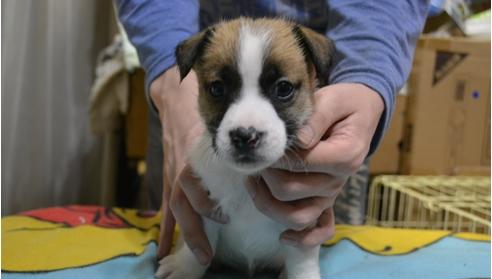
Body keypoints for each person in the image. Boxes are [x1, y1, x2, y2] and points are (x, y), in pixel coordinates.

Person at [116, 0, 428, 264]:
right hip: (189, 50)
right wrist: (166, 73)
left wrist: (368, 74)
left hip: (340, 57)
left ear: (314, 77)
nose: (246, 126)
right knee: (190, 209)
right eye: (218, 88)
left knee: (311, 218)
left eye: (282, 90)